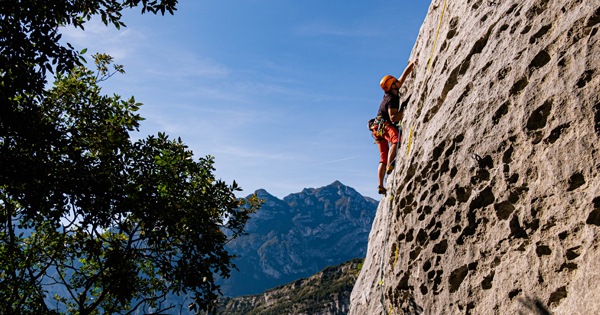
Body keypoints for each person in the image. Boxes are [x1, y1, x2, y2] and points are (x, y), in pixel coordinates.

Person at [370, 59, 419, 195]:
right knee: (396, 139)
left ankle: (380, 185)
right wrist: (406, 110)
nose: (398, 82)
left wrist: (412, 64)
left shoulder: (391, 91)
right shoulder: (392, 99)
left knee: (382, 158)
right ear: (392, 86)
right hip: (384, 126)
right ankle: (391, 165)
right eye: (395, 82)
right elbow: (393, 118)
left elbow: (404, 75)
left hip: (377, 128)